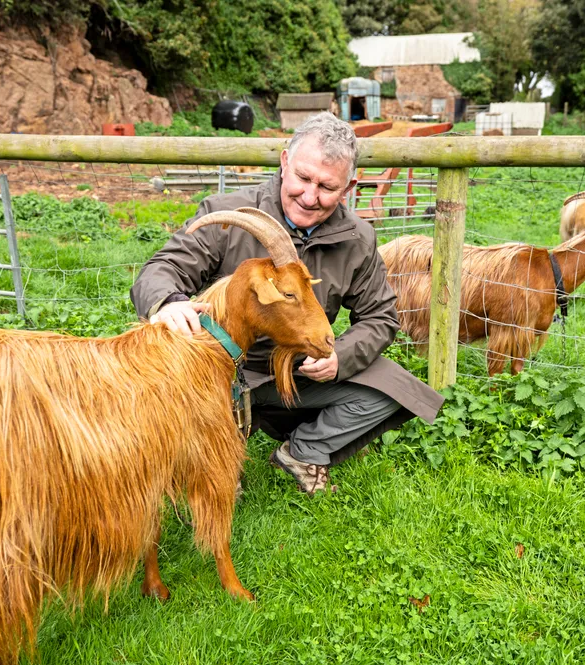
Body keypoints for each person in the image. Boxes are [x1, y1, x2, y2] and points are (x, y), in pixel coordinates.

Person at [131, 113, 443, 495]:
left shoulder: (357, 239)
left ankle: (303, 451)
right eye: (303, 178)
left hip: (294, 374)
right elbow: (163, 268)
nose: (310, 197)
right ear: (284, 162)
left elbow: (380, 317)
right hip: (219, 375)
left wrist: (340, 357)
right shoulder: (231, 214)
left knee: (397, 390)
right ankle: (208, 450)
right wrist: (167, 302)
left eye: (327, 187)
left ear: (348, 187)